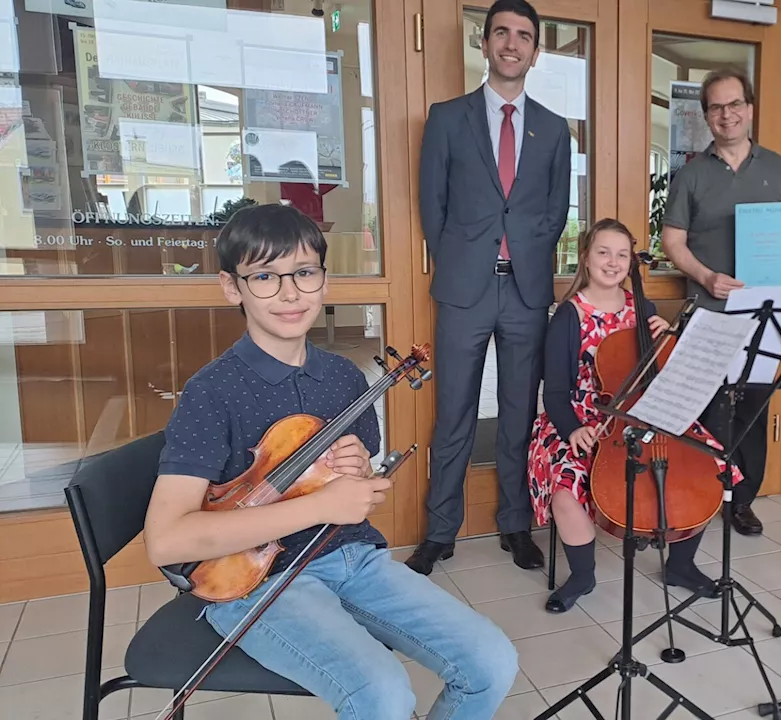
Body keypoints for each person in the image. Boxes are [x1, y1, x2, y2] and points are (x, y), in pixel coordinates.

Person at [143, 204, 519, 720]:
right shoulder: (212, 392)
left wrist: (360, 477)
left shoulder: (344, 377)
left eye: (303, 272)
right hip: (256, 580)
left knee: (492, 662)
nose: (290, 292)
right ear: (233, 287)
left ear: (324, 279)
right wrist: (322, 504)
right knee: (383, 694)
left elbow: (359, 496)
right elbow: (167, 540)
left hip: (352, 560)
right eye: (265, 277)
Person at [411, 0, 571, 574]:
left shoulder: (554, 129)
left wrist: (524, 252)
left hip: (526, 292)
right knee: (453, 412)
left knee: (518, 415)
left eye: (523, 36)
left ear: (535, 50)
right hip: (464, 291)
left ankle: (516, 524)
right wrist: (464, 257)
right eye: (501, 32)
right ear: (485, 43)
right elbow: (433, 207)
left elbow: (556, 212)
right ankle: (440, 531)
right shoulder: (447, 117)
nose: (512, 43)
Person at [527, 218, 744, 612]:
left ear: (631, 263)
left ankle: (681, 565)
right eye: (603, 253)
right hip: (583, 415)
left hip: (646, 411)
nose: (612, 262)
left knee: (708, 460)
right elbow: (555, 392)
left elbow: (663, 375)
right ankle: (582, 575)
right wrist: (573, 430)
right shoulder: (568, 317)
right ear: (587, 259)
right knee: (565, 485)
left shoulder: (642, 308)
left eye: (622, 255)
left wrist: (670, 340)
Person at [659, 68, 781, 536]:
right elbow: (673, 241)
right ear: (706, 115)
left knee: (751, 407)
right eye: (716, 107)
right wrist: (705, 276)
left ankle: (742, 500)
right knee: (706, 408)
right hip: (707, 312)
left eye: (734, 105)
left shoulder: (779, 168)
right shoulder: (691, 174)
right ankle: (701, 496)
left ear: (749, 109)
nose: (726, 114)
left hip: (765, 310)